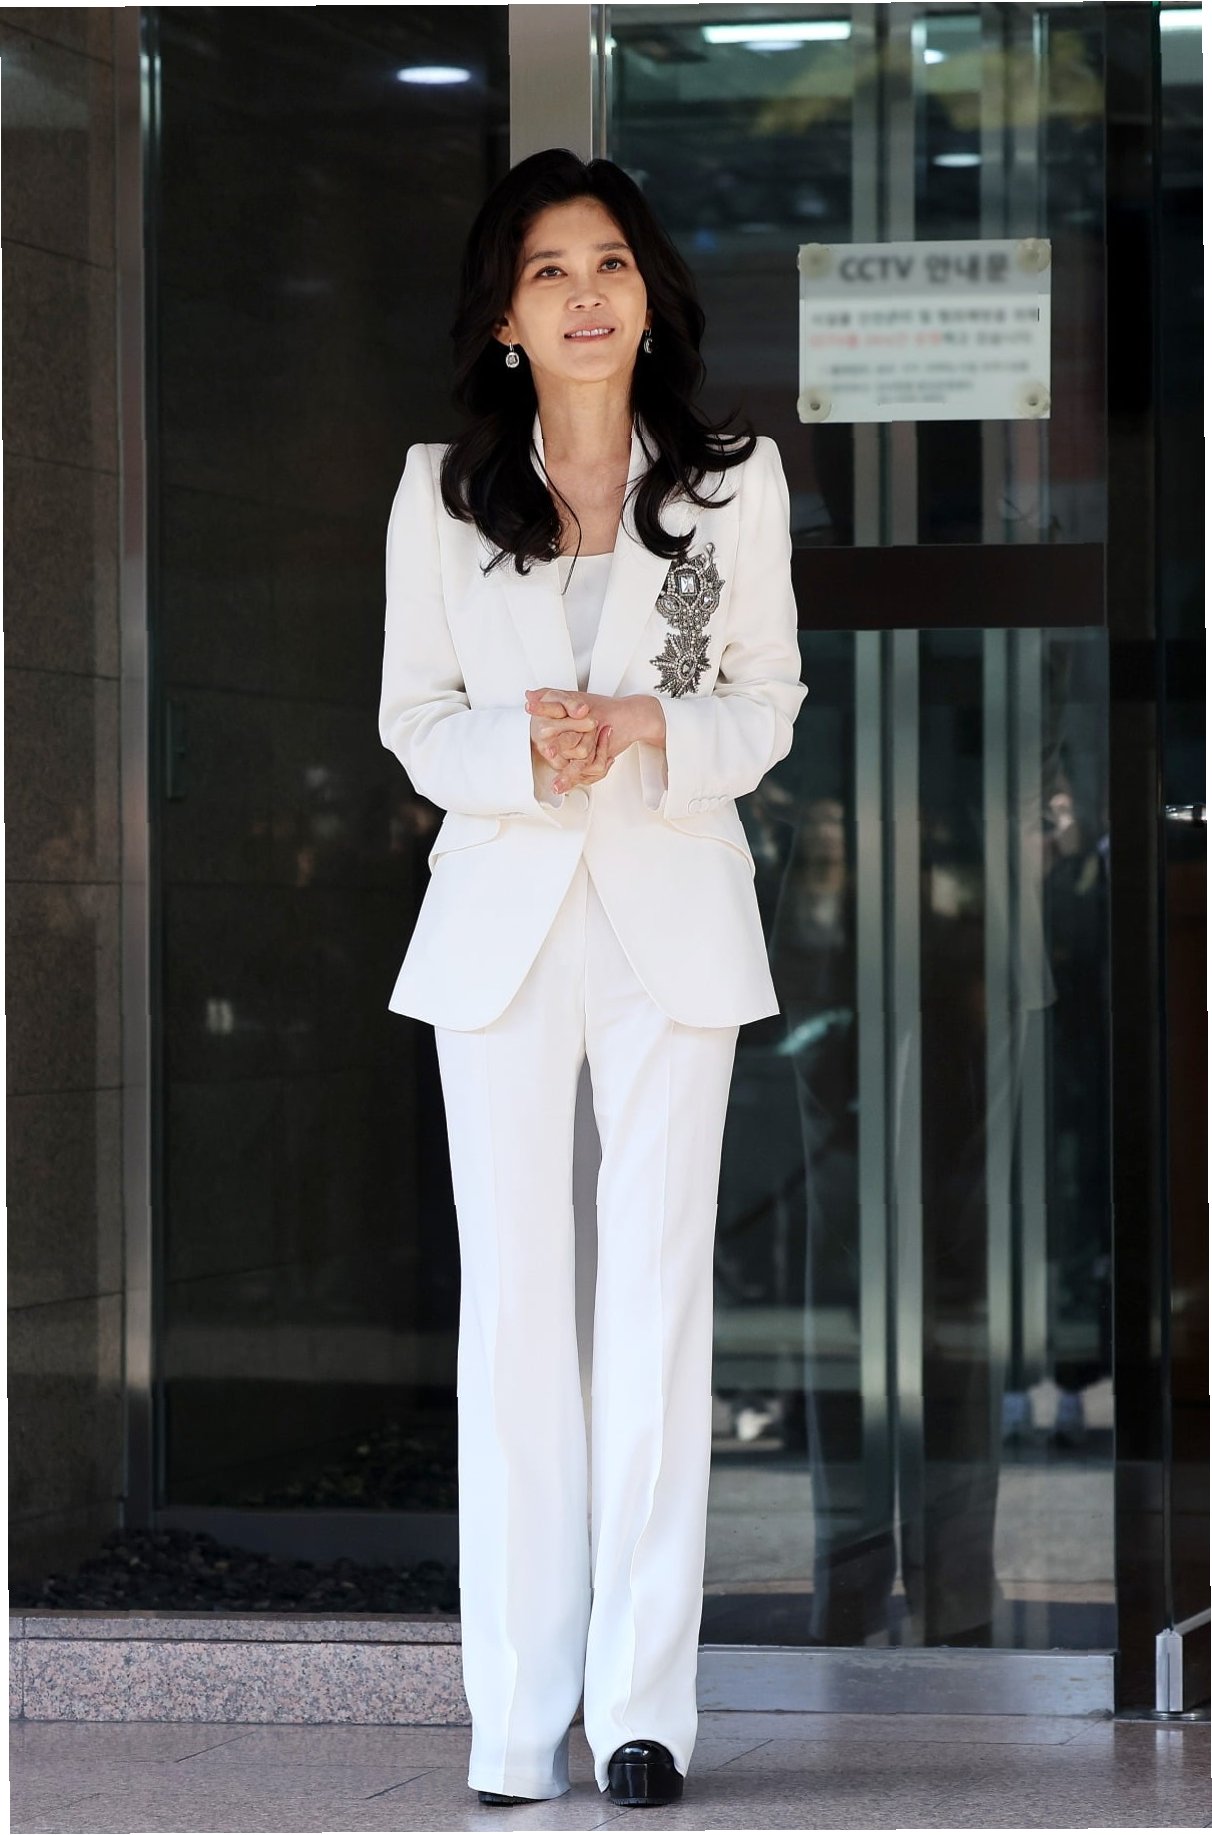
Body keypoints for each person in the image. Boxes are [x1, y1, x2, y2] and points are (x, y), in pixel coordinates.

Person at [378, 147, 807, 1809]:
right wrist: (522, 752)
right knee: (516, 1320)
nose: (583, 294)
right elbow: (415, 720)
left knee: (653, 1313)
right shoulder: (437, 493)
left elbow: (763, 704)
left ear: (649, 295)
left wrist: (647, 725)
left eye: (609, 263)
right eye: (548, 269)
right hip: (498, 935)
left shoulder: (731, 486)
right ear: (505, 313)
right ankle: (512, 1716)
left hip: (669, 924)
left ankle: (642, 1711)